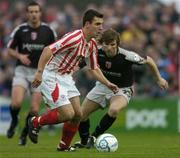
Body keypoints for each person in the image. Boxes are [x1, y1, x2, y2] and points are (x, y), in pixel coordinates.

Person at [29, 9, 119, 152]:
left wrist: (107, 83)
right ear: (87, 24)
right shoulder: (75, 37)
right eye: (97, 24)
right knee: (67, 114)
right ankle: (35, 122)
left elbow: (94, 68)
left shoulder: (92, 44)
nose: (101, 27)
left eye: (102, 24)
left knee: (78, 114)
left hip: (66, 78)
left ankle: (63, 147)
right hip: (51, 75)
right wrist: (39, 73)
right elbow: (48, 50)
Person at [74, 28, 169, 148]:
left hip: (122, 89)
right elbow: (82, 62)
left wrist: (159, 78)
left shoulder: (127, 56)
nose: (109, 48)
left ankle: (93, 137)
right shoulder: (96, 51)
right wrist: (72, 71)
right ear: (102, 43)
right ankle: (84, 142)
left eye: (112, 44)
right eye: (106, 44)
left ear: (117, 43)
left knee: (113, 110)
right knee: (81, 114)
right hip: (102, 86)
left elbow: (149, 60)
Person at [6, 1, 57, 146]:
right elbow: (9, 50)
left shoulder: (48, 31)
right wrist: (20, 56)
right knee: (16, 103)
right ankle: (14, 121)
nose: (34, 14)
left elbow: (55, 51)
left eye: (36, 11)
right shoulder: (20, 30)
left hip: (39, 73)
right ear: (27, 14)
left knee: (34, 109)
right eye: (31, 12)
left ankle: (23, 134)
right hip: (22, 70)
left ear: (40, 13)